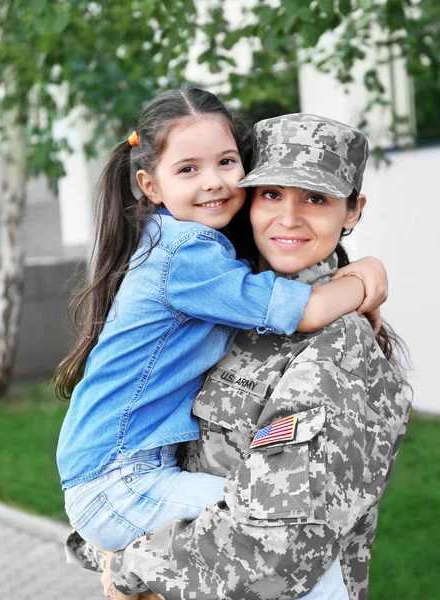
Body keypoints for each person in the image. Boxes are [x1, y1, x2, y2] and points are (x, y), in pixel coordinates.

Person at [55, 90, 387, 586]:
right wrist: (366, 279)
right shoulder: (188, 255)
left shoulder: (195, 250)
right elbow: (312, 308)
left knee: (299, 553)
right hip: (120, 481)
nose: (213, 182)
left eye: (227, 163)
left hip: (118, 476)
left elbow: (290, 531)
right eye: (188, 169)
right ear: (150, 185)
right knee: (297, 555)